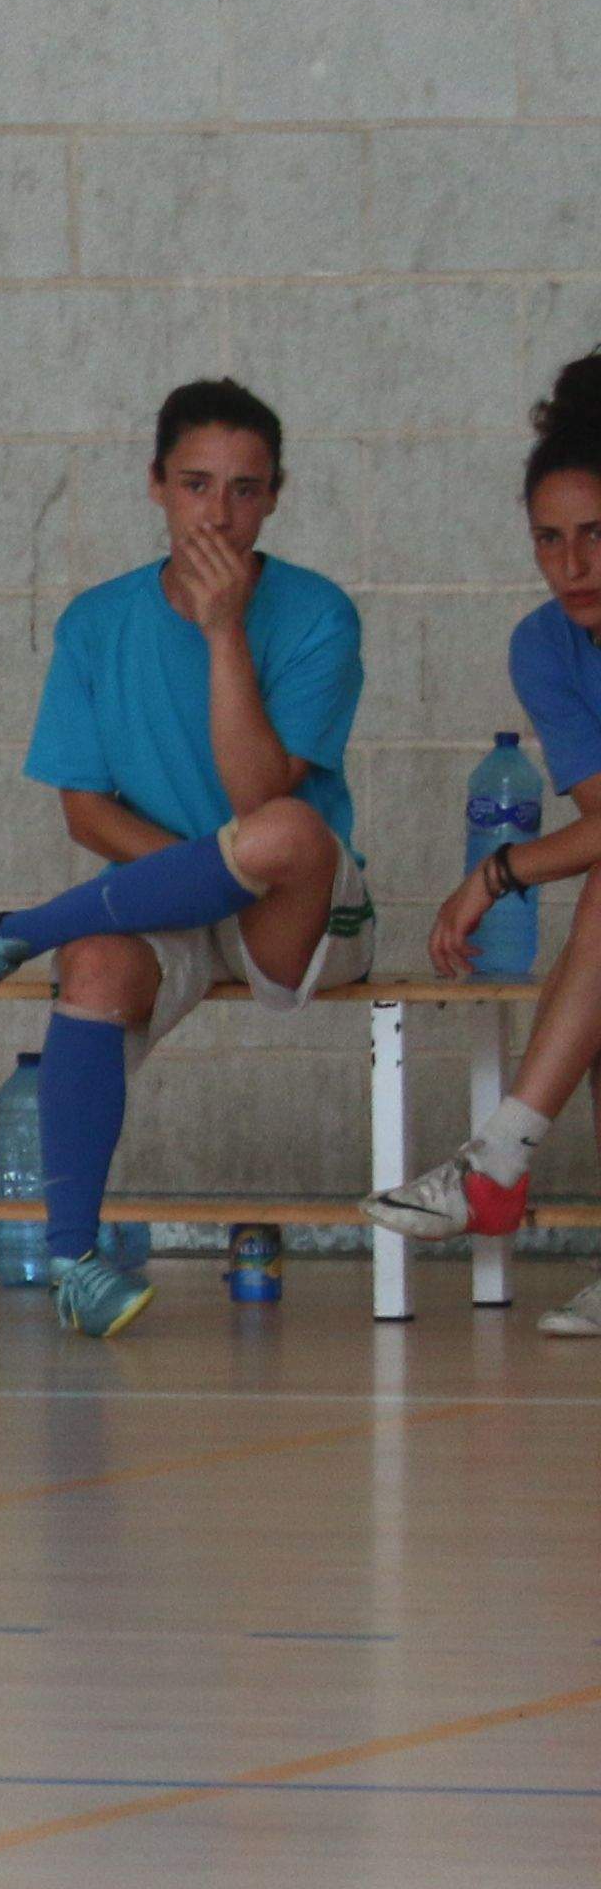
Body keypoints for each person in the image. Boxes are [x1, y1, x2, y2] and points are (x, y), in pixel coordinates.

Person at [0, 377, 362, 1339]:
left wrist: (224, 629)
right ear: (156, 486)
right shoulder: (94, 622)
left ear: (276, 496)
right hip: (171, 898)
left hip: (299, 909)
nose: (220, 513)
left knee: (284, 833)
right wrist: (196, 882)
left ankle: (15, 933)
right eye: (197, 485)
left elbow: (257, 803)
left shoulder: (321, 615)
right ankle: (76, 1262)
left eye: (246, 490)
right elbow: (85, 811)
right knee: (98, 960)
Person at [362, 344, 601, 1336]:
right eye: (548, 541)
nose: (571, 566)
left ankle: (498, 1156)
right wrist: (504, 874)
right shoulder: (544, 645)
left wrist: (496, 873)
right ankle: (499, 1160)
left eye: (595, 535)